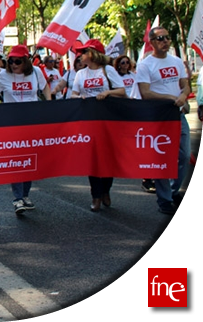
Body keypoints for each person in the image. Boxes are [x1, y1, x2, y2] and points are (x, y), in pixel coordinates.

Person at [0, 45, 51, 215]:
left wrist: (49, 105)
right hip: (12, 123)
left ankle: (25, 195)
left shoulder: (36, 72)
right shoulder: (4, 75)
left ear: (25, 61)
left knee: (30, 159)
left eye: (17, 61)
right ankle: (17, 198)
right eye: (10, 61)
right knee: (16, 160)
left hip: (31, 122)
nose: (14, 64)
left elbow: (45, 87)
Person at [136, 27, 191, 215]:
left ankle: (173, 190)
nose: (165, 41)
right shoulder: (145, 65)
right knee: (162, 158)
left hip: (178, 114)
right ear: (151, 42)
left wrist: (183, 95)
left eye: (168, 37)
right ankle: (165, 199)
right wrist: (170, 98)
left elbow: (185, 85)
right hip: (159, 117)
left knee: (184, 155)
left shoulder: (176, 61)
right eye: (160, 38)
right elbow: (145, 92)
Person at [71, 39, 127, 212]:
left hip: (108, 120)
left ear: (93, 54)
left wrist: (107, 93)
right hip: (89, 121)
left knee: (108, 157)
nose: (80, 55)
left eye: (83, 52)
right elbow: (73, 94)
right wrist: (78, 98)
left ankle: (105, 191)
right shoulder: (81, 74)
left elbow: (122, 91)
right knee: (93, 159)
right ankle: (95, 195)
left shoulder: (107, 70)